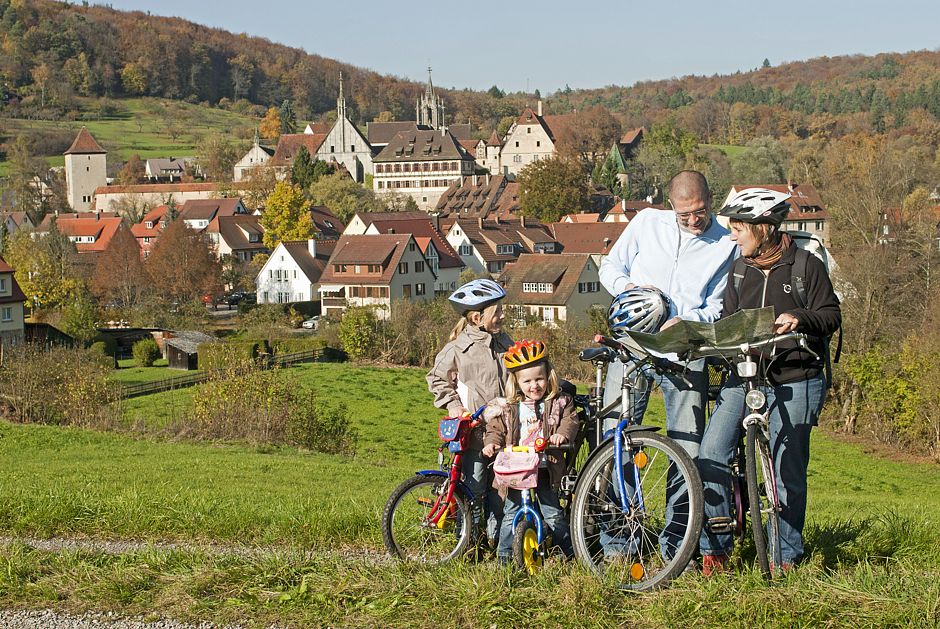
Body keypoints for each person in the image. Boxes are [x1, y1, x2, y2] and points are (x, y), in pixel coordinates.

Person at [697, 188, 841, 575]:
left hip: (796, 376)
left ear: (763, 228)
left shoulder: (806, 266)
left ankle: (785, 555)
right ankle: (717, 547)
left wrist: (800, 317)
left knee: (785, 468)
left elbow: (830, 315)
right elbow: (729, 321)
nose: (732, 236)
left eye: (739, 229)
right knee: (711, 452)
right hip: (744, 376)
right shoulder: (739, 269)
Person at [599, 170, 738, 459]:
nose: (692, 220)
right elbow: (610, 267)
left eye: (700, 211)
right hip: (633, 343)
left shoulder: (726, 245)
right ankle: (615, 504)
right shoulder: (647, 221)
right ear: (671, 204)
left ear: (711, 199)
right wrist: (630, 289)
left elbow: (716, 307)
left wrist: (687, 323)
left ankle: (681, 507)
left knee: (688, 446)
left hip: (685, 351)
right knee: (615, 434)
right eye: (683, 214)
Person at [427, 278, 513, 543]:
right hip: (475, 434)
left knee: (502, 488)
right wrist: (455, 407)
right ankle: (468, 542)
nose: (501, 315)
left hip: (505, 432)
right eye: (496, 311)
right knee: (474, 488)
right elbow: (436, 378)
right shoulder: (458, 348)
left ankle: (498, 541)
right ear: (477, 317)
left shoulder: (504, 342)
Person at [481, 339, 580, 563]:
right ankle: (505, 558)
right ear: (516, 382)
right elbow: (496, 429)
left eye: (539, 379)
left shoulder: (558, 402)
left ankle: (570, 553)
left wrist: (561, 435)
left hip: (546, 468)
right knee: (510, 513)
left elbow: (570, 420)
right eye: (527, 381)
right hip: (518, 470)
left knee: (552, 513)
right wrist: (492, 443)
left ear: (549, 378)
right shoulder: (508, 407)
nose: (534, 386)